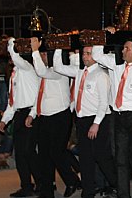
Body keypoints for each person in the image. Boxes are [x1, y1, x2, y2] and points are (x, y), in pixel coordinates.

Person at [93, 37, 132, 198]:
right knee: (119, 158)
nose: (123, 51)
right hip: (118, 116)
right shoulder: (118, 67)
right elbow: (97, 55)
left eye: (127, 48)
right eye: (123, 48)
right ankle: (123, 194)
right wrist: (102, 36)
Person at [54, 45, 118, 198]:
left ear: (95, 55)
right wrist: (57, 48)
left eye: (89, 54)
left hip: (98, 119)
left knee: (102, 157)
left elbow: (103, 102)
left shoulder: (101, 75)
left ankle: (118, 185)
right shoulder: (80, 72)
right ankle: (88, 191)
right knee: (85, 158)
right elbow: (58, 67)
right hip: (82, 120)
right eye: (84, 53)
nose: (85, 56)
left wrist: (96, 124)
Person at [28, 38, 80, 198]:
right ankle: (47, 190)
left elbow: (41, 71)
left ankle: (73, 181)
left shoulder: (58, 72)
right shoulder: (45, 72)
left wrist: (34, 51)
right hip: (44, 117)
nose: (42, 57)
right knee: (44, 155)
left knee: (56, 152)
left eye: (44, 54)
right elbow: (39, 94)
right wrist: (31, 114)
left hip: (60, 116)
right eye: (41, 54)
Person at [1, 38, 42, 198]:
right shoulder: (14, 75)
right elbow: (13, 102)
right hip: (19, 114)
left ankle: (42, 183)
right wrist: (5, 119)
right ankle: (26, 186)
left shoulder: (27, 68)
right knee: (20, 154)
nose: (11, 58)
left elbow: (35, 98)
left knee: (28, 152)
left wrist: (10, 44)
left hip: (31, 113)